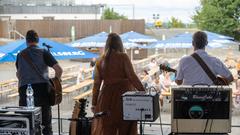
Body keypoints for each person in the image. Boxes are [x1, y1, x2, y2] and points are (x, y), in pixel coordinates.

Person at [91, 33, 145, 135]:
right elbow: (132, 76)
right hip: (124, 97)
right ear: (120, 44)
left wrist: (94, 103)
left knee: (107, 128)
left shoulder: (100, 60)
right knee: (126, 127)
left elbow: (96, 84)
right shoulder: (123, 57)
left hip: (106, 98)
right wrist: (143, 91)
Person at [16, 30, 63, 135]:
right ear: (38, 40)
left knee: (27, 126)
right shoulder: (44, 52)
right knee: (46, 126)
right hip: (43, 93)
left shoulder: (20, 55)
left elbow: (18, 75)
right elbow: (59, 70)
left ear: (26, 41)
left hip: (25, 94)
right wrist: (56, 82)